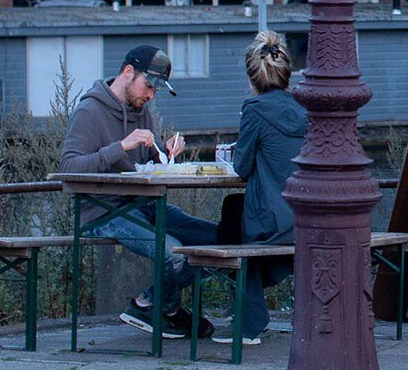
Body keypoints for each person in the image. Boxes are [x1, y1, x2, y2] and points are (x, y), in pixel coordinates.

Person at [58, 44, 218, 339]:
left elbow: (151, 160)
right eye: (149, 86)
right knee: (173, 253)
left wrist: (167, 153)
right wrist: (119, 148)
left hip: (143, 205)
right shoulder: (89, 111)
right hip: (101, 212)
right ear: (128, 73)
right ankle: (166, 311)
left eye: (157, 90)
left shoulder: (141, 111)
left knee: (223, 240)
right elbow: (68, 167)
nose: (151, 95)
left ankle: (151, 303)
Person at [224, 32, 306, 346]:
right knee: (236, 210)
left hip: (274, 224)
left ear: (251, 77)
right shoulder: (304, 107)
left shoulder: (254, 110)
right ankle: (250, 314)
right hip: (304, 220)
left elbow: (241, 167)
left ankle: (249, 321)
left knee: (233, 217)